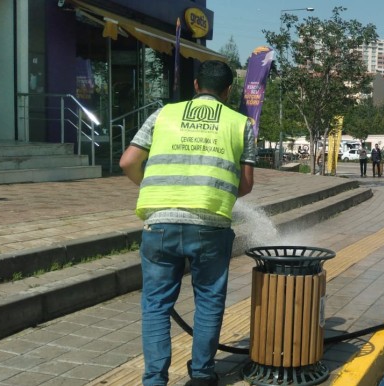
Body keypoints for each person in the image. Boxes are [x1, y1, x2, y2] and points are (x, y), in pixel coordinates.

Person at [119, 60, 256, 386]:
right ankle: (202, 375)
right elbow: (246, 184)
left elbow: (127, 161)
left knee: (155, 305)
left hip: (160, 224)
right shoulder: (241, 124)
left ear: (195, 86)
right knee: (209, 300)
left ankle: (154, 380)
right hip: (211, 227)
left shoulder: (163, 114)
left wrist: (156, 188)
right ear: (228, 91)